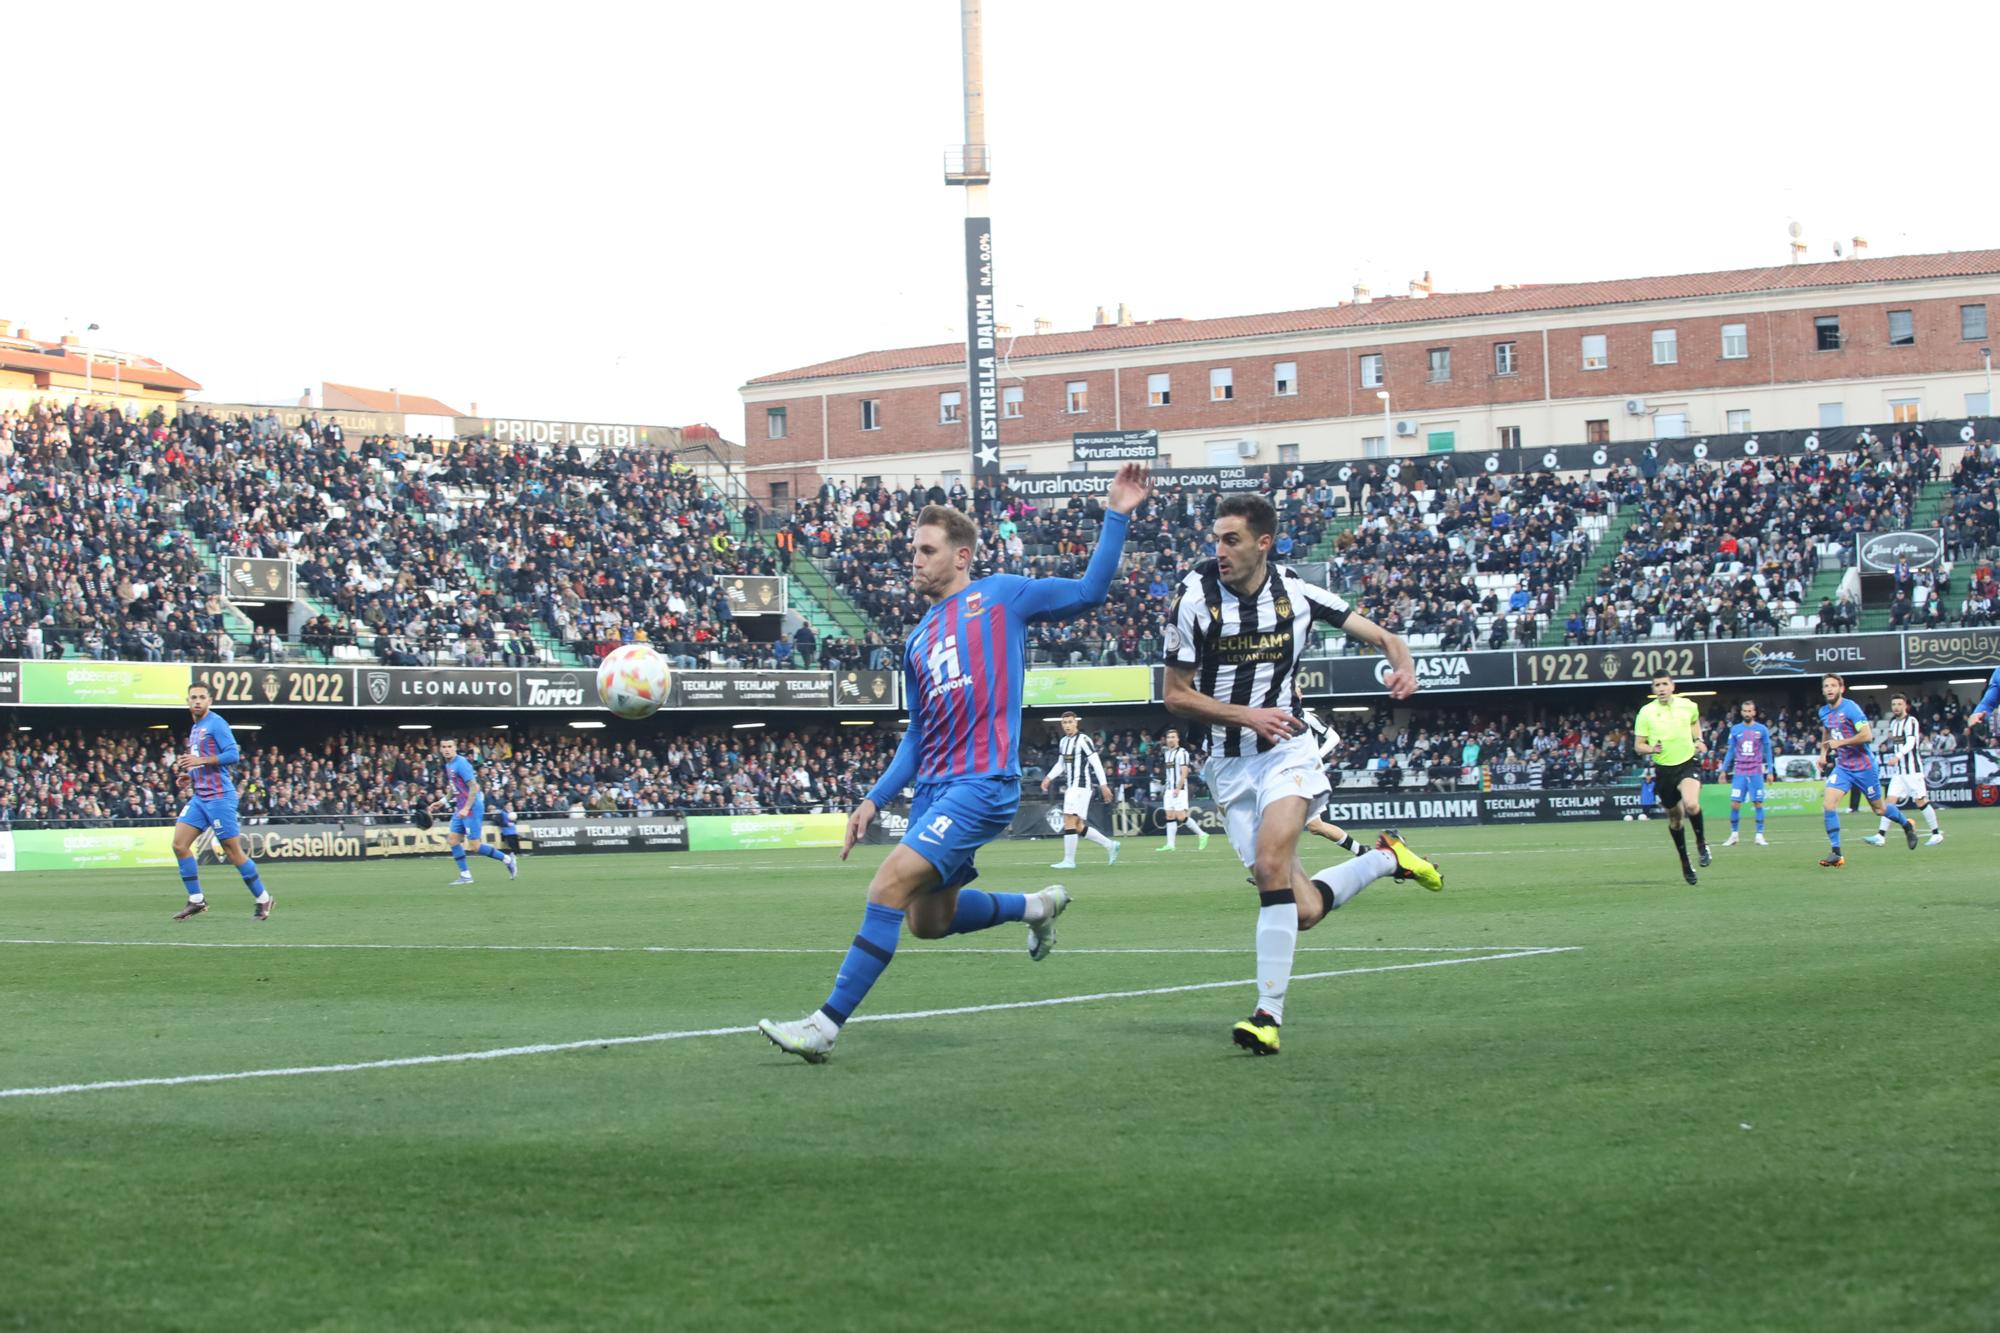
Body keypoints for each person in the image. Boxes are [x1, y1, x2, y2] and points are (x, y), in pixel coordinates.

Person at [757, 463, 1153, 1064]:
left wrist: (1117, 514)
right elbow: (918, 734)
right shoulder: (917, 640)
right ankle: (1039, 906)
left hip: (983, 783)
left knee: (887, 883)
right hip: (934, 793)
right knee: (927, 922)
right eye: (912, 550)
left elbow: (1088, 593)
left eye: (925, 550)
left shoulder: (1000, 596)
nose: (913, 559)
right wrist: (872, 798)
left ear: (961, 556)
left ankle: (824, 1025)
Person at [1162, 493, 1440, 1058]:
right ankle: (1387, 857)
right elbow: (1174, 695)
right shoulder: (1193, 601)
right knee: (1304, 908)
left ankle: (1267, 1015)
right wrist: (1247, 715)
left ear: (1264, 543)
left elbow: (1387, 637)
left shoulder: (1298, 593)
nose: (1219, 550)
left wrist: (1402, 663)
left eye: (1231, 539)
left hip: (1286, 752)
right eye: (1215, 538)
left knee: (1269, 866)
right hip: (1226, 765)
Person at [169, 682, 275, 922]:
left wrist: (200, 760)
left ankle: (263, 898)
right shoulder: (196, 728)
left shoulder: (216, 723)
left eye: (202, 697)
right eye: (193, 697)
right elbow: (202, 764)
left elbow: (233, 755)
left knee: (232, 851)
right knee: (179, 845)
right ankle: (196, 900)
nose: (197, 701)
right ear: (187, 701)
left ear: (210, 701)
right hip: (200, 797)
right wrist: (190, 775)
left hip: (219, 797)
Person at [1816, 673, 1916, 867]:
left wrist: (1841, 742)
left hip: (1864, 767)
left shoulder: (1851, 708)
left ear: (1841, 688)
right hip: (1843, 766)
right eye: (1826, 686)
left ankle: (1907, 825)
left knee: (1879, 809)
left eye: (1833, 686)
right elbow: (1827, 731)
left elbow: (1867, 735)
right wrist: (1823, 753)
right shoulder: (1823, 712)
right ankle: (1836, 853)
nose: (1829, 689)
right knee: (1828, 805)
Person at [1632, 672, 1709, 885]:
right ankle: (1685, 862)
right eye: (1657, 685)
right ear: (1653, 689)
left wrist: (1699, 739)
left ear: (1672, 686)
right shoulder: (1646, 713)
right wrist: (1651, 749)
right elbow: (1638, 746)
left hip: (1687, 763)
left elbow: (1694, 723)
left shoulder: (1688, 705)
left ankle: (1701, 843)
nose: (1661, 688)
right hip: (1664, 770)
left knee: (1692, 805)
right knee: (1675, 820)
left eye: (1665, 683)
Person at [427, 738, 518, 885]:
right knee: (452, 840)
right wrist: (442, 801)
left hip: (471, 808)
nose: (446, 749)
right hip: (461, 808)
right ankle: (466, 876)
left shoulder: (461, 763)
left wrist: (466, 808)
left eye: (449, 746)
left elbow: (474, 787)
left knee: (474, 846)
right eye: (443, 746)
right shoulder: (449, 765)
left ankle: (508, 859)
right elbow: (454, 787)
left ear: (455, 747)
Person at [1039, 712, 1118, 867]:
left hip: (1081, 786)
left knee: (1068, 818)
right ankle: (1110, 845)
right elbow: (1061, 764)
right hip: (1072, 786)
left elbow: (1096, 763)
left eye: (1070, 722)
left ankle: (1069, 860)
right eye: (1065, 722)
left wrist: (1103, 784)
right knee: (1077, 826)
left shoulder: (1083, 740)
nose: (1067, 725)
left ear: (1076, 723)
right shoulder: (1063, 742)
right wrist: (1048, 778)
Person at [1865, 693, 1942, 847]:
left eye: (1899, 704)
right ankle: (1881, 836)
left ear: (1905, 705)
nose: (1896, 707)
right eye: (1894, 704)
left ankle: (1936, 834)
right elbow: (1899, 743)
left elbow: (1911, 743)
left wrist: (1898, 756)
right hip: (1899, 772)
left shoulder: (1911, 721)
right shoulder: (1893, 723)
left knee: (1921, 802)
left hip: (1912, 770)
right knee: (1888, 803)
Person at [1722, 699, 1774, 847]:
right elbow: (1731, 751)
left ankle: (1759, 835)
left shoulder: (1762, 729)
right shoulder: (1735, 729)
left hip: (1756, 771)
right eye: (1745, 711)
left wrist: (1770, 771)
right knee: (1734, 804)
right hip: (1739, 771)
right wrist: (1723, 770)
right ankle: (1734, 835)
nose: (1747, 713)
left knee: (1758, 803)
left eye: (1750, 711)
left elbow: (1768, 751)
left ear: (1754, 712)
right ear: (1741, 712)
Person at [1154, 726, 1209, 852]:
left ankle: (1202, 834)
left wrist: (1178, 788)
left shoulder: (1182, 753)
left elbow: (1184, 771)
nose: (1170, 739)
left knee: (1180, 816)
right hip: (1169, 788)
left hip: (1179, 789)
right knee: (1169, 815)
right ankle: (1170, 844)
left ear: (1178, 739)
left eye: (1173, 737)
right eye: (1168, 737)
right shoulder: (1167, 753)